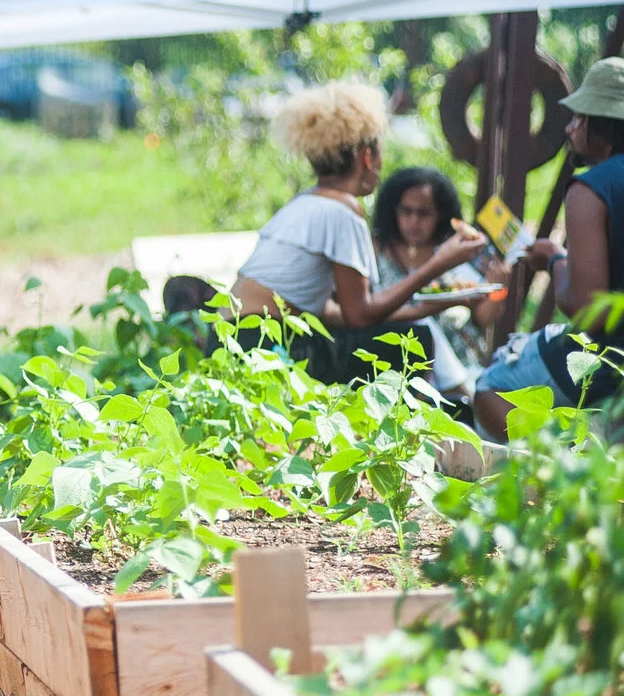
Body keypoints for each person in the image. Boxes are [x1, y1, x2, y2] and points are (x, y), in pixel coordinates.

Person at [230, 83, 489, 385]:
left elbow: (332, 314)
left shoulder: (305, 202)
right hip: (264, 345)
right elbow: (360, 316)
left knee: (402, 334)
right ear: (367, 157)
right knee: (411, 342)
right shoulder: (343, 210)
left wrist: (426, 307)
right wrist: (440, 263)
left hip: (231, 341)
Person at [471, 57, 624, 439]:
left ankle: (561, 459)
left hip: (610, 359)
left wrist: (555, 259)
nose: (570, 128)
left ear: (604, 125)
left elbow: (588, 310)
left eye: (580, 118)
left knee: (489, 387)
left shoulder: (591, 189)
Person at [367, 166, 503, 391]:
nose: (414, 221)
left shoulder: (457, 250)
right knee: (422, 326)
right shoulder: (376, 250)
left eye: (424, 214)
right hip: (399, 365)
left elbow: (484, 318)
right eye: (406, 211)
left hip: (465, 360)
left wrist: (500, 286)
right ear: (393, 210)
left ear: (440, 214)